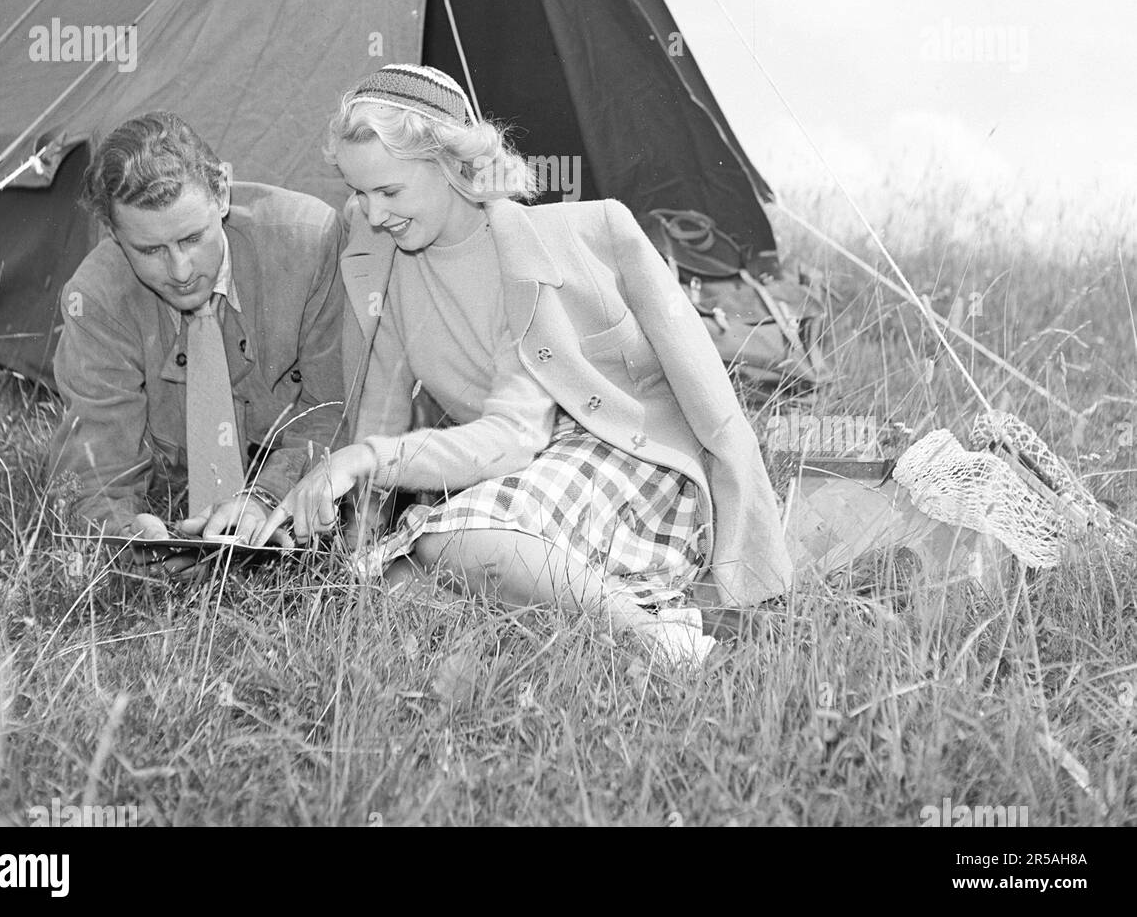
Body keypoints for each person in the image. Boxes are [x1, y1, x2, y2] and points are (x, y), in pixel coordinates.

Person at [246, 65, 792, 656]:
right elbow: (379, 412)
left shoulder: (554, 241)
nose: (374, 215)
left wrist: (362, 459)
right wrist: (357, 545)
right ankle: (626, 607)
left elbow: (517, 435)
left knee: (450, 541)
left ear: (455, 166)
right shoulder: (379, 256)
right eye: (359, 193)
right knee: (396, 585)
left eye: (390, 191)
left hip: (632, 459)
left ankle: (655, 639)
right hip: (529, 474)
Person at [45, 112, 346, 568]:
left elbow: (338, 409)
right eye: (150, 251)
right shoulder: (96, 301)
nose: (181, 271)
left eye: (193, 238)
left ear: (222, 193)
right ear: (113, 234)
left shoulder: (308, 246)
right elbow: (92, 469)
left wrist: (267, 497)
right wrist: (129, 537)